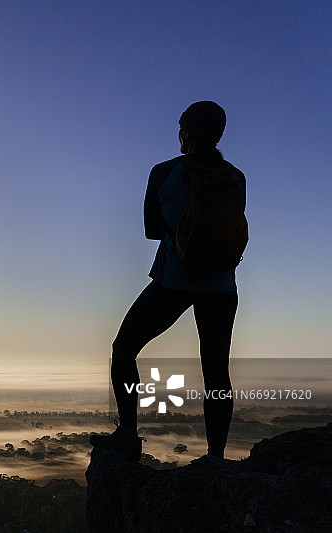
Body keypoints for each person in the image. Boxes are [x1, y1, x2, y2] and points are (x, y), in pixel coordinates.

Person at [90, 101, 246, 461]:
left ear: (185, 133)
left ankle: (129, 433)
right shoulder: (236, 177)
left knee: (124, 349)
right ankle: (215, 457)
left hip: (174, 281)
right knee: (216, 371)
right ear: (219, 135)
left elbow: (150, 231)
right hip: (222, 287)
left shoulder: (164, 172)